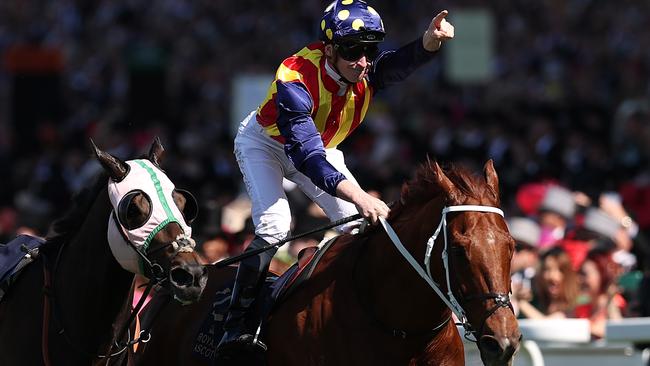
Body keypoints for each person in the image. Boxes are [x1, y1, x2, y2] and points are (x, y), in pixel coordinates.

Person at [217, 0, 455, 357]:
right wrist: (359, 196)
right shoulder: (294, 77)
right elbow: (308, 157)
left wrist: (428, 43)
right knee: (275, 227)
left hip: (317, 147)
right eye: (353, 51)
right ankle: (236, 322)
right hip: (266, 144)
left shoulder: (361, 67)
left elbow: (393, 67)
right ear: (328, 49)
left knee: (357, 228)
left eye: (369, 50)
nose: (363, 61)